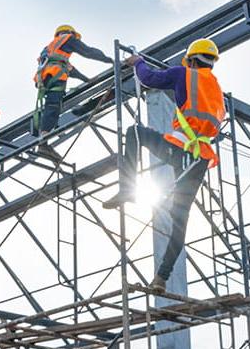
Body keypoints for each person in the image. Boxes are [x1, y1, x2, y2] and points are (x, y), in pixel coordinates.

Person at [103, 39, 224, 288]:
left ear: (191, 59)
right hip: (200, 158)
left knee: (134, 132)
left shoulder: (184, 74)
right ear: (211, 63)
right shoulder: (215, 88)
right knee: (181, 218)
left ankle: (128, 188)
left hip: (180, 147)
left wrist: (138, 62)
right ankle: (161, 278)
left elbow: (150, 80)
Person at [33, 24, 112, 160]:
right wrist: (110, 60)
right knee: (53, 106)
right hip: (55, 77)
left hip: (46, 79)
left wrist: (86, 80)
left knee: (52, 105)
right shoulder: (67, 38)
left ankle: (44, 140)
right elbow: (88, 51)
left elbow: (70, 69)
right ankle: (43, 141)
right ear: (70, 33)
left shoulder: (51, 48)